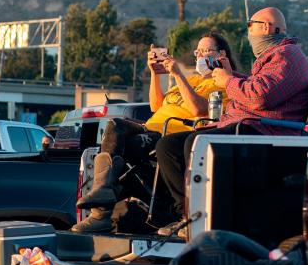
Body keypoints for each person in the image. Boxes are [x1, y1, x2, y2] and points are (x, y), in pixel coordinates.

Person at [154, 7, 308, 235]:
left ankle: (202, 220)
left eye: (250, 25)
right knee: (167, 146)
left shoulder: (287, 55)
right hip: (250, 126)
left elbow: (260, 97)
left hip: (264, 132)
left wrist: (228, 81)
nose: (248, 32)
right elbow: (257, 86)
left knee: (197, 142)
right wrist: (233, 76)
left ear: (266, 27)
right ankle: (187, 214)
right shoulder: (273, 56)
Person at [73, 33, 234, 233]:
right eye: (198, 51)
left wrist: (177, 75)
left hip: (172, 133)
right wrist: (155, 75)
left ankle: (101, 213)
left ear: (221, 54)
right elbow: (157, 106)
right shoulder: (192, 79)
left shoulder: (223, 83)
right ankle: (101, 205)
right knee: (115, 125)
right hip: (150, 126)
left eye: (205, 51)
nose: (200, 56)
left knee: (122, 150)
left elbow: (196, 110)